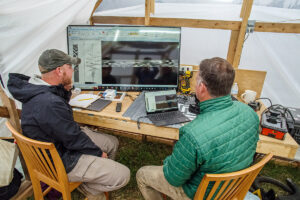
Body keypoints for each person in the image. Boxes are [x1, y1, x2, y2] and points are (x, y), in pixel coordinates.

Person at [7, 49, 130, 200]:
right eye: (70, 67)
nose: (73, 71)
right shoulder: (49, 102)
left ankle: (95, 176)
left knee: (112, 142)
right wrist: (98, 153)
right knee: (123, 175)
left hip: (57, 143)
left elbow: (62, 126)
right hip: (61, 159)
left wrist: (65, 91)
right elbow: (72, 138)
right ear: (59, 71)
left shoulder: (38, 88)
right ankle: (89, 185)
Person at [136, 57, 259, 200]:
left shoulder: (193, 134)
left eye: (196, 80)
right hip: (233, 188)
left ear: (202, 88)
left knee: (142, 174)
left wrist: (170, 160)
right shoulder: (250, 113)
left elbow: (173, 179)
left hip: (201, 194)